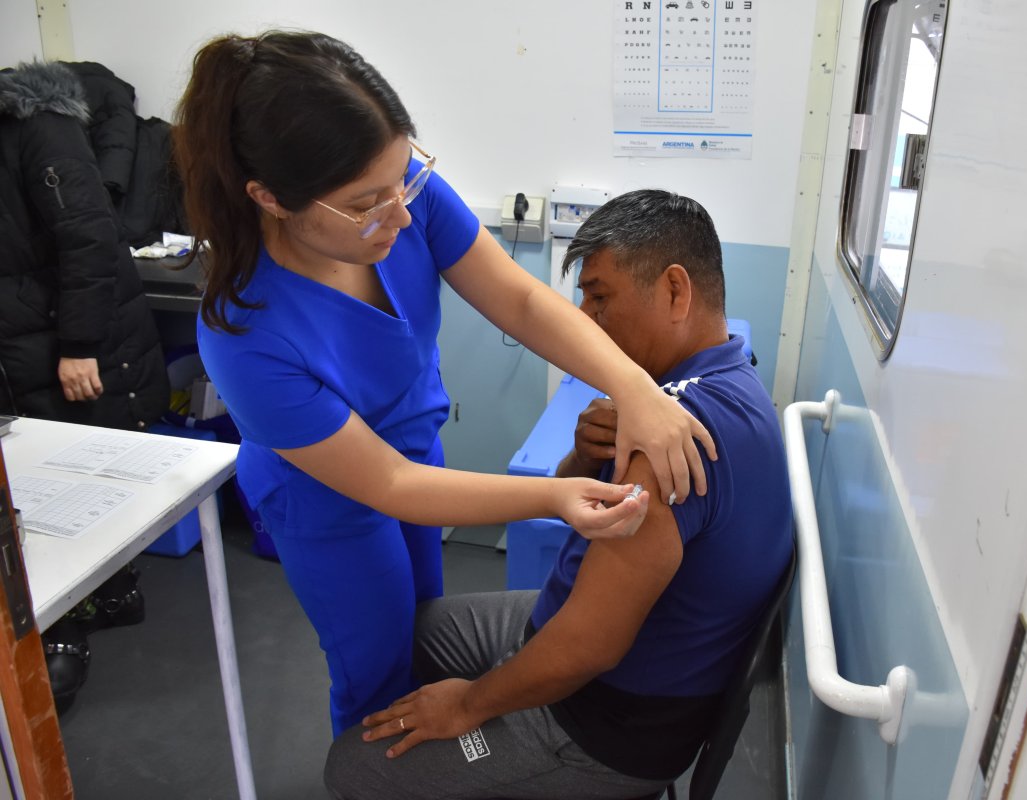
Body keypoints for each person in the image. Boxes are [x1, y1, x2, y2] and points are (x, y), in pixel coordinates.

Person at [173, 32, 717, 737]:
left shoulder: (402, 197)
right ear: (271, 198)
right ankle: (364, 779)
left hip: (416, 454)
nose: (400, 214)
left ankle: (420, 768)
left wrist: (634, 386)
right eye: (366, 203)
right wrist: (554, 495)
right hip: (326, 497)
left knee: (426, 635)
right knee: (376, 673)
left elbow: (520, 300)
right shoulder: (244, 332)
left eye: (405, 179)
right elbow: (389, 484)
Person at [323, 189, 794, 799]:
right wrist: (586, 457)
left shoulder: (671, 448)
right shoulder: (730, 380)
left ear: (676, 291)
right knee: (412, 632)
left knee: (352, 769)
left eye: (600, 298)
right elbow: (581, 521)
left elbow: (587, 647)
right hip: (576, 631)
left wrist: (467, 705)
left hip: (599, 723)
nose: (585, 322)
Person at [0, 60, 169, 712]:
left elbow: (88, 236)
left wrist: (78, 344)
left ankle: (69, 624)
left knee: (64, 480)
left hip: (58, 334)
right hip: (21, 336)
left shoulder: (37, 124)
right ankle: (109, 594)